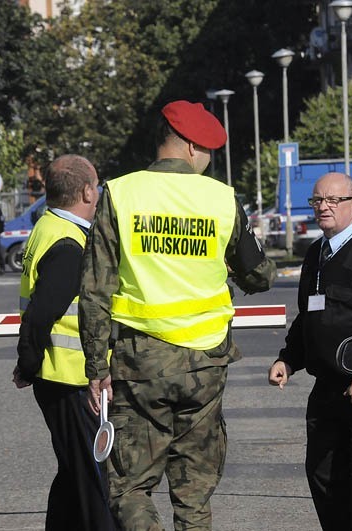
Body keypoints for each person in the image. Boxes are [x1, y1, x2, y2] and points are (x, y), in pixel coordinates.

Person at [79, 100, 277, 530]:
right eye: (207, 151)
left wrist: (97, 368)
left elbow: (95, 289)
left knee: (129, 486)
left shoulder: (121, 193)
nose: (208, 161)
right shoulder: (222, 199)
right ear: (190, 146)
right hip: (206, 365)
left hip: (140, 364)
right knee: (193, 493)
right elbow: (260, 275)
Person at [268, 172, 352, 531]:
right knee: (322, 473)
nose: (323, 208)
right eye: (317, 201)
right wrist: (288, 359)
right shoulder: (317, 252)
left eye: (333, 201)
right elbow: (308, 316)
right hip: (327, 388)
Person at [13, 155, 115, 531]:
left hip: (55, 376)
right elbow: (41, 315)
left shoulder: (48, 227)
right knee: (96, 484)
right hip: (71, 379)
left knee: (74, 478)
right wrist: (27, 363)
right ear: (88, 190)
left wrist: (30, 364)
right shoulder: (70, 244)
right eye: (98, 186)